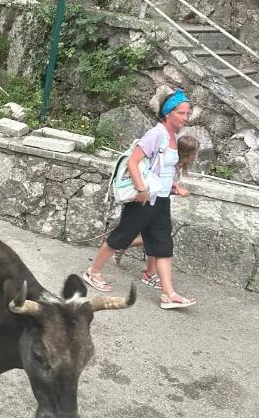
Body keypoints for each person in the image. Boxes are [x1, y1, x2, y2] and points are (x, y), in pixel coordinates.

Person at [83, 88, 197, 309]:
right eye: (182, 113)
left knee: (163, 245)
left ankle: (168, 295)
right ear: (168, 113)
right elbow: (133, 162)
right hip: (145, 199)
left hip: (161, 200)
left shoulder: (173, 137)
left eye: (188, 114)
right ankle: (93, 271)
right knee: (122, 236)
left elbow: (162, 169)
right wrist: (141, 188)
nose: (186, 118)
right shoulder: (156, 134)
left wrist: (172, 185)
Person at [112, 134, 201, 290]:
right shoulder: (168, 164)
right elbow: (156, 184)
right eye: (193, 154)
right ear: (185, 153)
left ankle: (123, 248)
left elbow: (164, 187)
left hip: (158, 203)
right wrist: (176, 189)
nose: (194, 157)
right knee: (157, 239)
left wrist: (174, 190)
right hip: (149, 202)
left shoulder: (176, 166)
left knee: (156, 238)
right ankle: (146, 271)